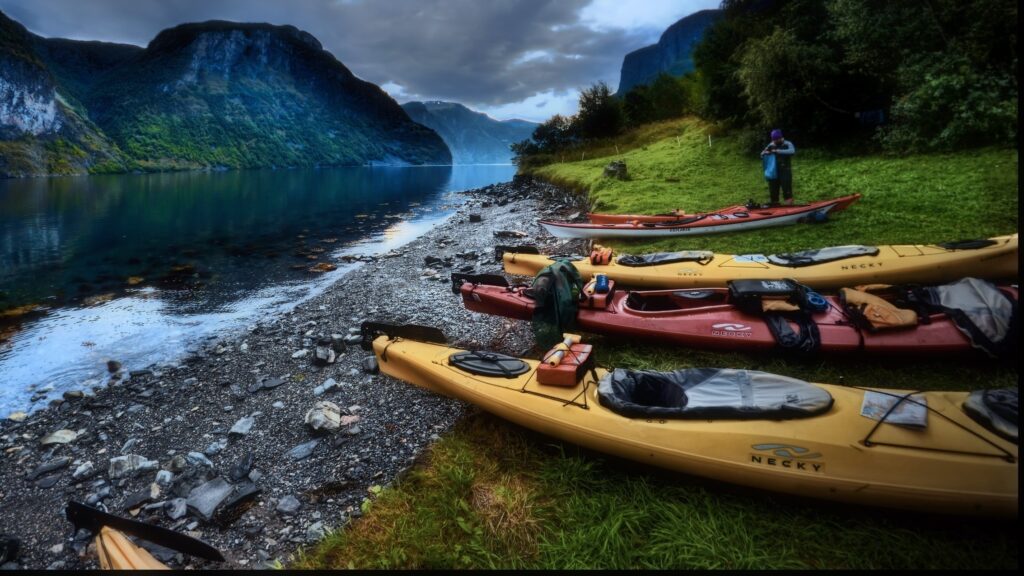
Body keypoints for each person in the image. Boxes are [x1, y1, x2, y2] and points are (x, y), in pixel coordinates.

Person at [760, 129, 796, 205]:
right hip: (773, 172)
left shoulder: (787, 144)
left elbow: (792, 151)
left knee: (787, 191)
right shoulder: (771, 144)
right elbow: (762, 154)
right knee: (773, 192)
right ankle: (776, 209)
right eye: (774, 140)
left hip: (785, 171)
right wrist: (766, 152)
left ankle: (790, 208)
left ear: (781, 137)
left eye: (777, 139)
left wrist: (777, 151)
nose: (775, 141)